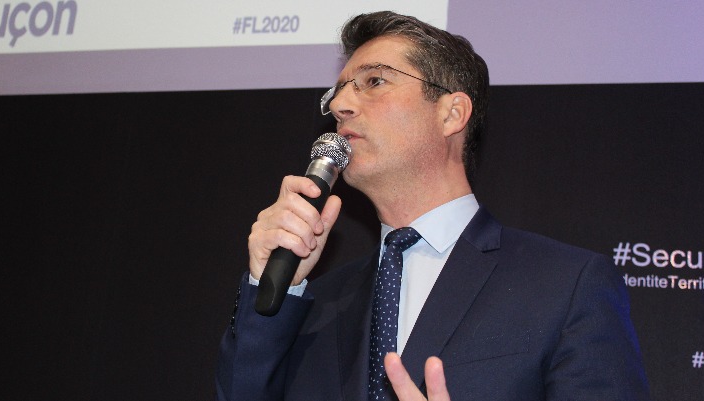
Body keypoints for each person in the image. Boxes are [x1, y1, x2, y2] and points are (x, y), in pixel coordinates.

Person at [215, 11, 649, 401]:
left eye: (374, 82)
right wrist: (269, 287)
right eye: (339, 92)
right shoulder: (318, 302)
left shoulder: (565, 285)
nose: (341, 106)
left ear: (451, 113)